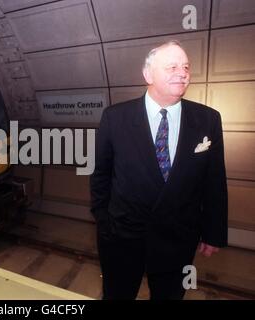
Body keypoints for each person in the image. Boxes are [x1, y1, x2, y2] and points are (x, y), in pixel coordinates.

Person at [90, 40, 228, 300]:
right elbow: (101, 175)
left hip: (178, 239)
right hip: (122, 237)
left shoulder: (208, 119)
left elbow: (214, 181)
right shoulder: (115, 117)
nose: (182, 72)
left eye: (186, 66)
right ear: (148, 74)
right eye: (172, 66)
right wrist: (103, 221)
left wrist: (213, 232)